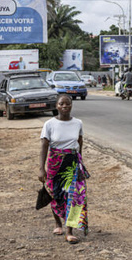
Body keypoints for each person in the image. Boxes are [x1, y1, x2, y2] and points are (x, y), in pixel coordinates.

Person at [38, 95, 88, 244]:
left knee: (74, 196)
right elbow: (44, 146)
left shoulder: (78, 123)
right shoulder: (49, 124)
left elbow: (79, 143)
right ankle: (57, 223)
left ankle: (69, 230)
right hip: (55, 162)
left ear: (72, 105)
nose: (65, 106)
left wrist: (80, 164)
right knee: (55, 194)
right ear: (57, 106)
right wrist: (41, 168)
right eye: (61, 104)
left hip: (72, 163)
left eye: (68, 104)